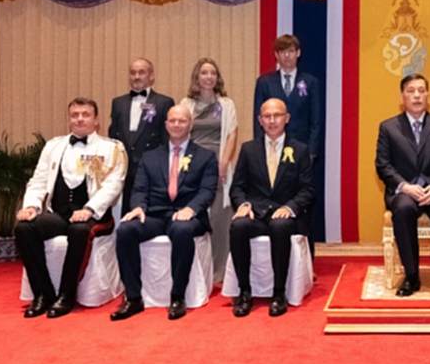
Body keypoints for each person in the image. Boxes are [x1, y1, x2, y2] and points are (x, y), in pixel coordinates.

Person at [16, 98, 126, 318]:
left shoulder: (112, 148)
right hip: (59, 214)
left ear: (96, 120)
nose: (80, 119)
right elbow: (38, 180)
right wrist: (31, 206)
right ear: (69, 119)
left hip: (95, 216)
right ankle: (43, 294)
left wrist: (89, 209)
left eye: (85, 114)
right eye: (75, 115)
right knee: (24, 228)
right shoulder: (54, 146)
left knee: (79, 231)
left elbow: (114, 184)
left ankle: (66, 295)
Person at [110, 105, 218, 321]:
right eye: (173, 121)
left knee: (181, 230)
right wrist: (138, 207)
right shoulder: (150, 157)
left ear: (191, 124)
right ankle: (133, 298)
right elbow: (139, 188)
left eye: (182, 121)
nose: (177, 125)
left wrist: (191, 209)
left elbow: (207, 190)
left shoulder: (205, 157)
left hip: (188, 216)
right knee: (125, 231)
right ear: (166, 124)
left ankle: (177, 296)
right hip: (155, 215)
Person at [375, 73, 430, 298]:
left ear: (428, 96)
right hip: (406, 190)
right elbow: (383, 165)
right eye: (411, 91)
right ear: (402, 96)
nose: (416, 96)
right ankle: (411, 276)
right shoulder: (388, 127)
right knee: (402, 209)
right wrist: (404, 186)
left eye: (421, 91)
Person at [228, 98, 314, 317]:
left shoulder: (300, 150)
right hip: (255, 214)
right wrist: (244, 205)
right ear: (260, 120)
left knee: (280, 226)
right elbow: (237, 187)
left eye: (277, 116)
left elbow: (307, 190)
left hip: (284, 216)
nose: (273, 120)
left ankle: (278, 293)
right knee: (238, 226)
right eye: (267, 116)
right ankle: (244, 292)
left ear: (287, 118)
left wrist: (291, 207)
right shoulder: (248, 149)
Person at [179, 58, 238, 282]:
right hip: (193, 165)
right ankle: (197, 269)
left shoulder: (226, 104)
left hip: (218, 164)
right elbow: (179, 133)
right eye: (204, 73)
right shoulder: (186, 104)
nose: (208, 77)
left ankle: (220, 270)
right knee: (195, 212)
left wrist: (223, 163)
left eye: (212, 73)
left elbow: (232, 133)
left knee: (220, 217)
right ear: (197, 77)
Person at [109, 58, 175, 213]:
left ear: (151, 76)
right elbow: (113, 135)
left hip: (151, 164)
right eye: (133, 73)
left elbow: (167, 137)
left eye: (141, 72)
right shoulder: (118, 102)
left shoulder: (164, 102)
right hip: (125, 165)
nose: (136, 77)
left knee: (150, 210)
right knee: (127, 209)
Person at [253, 34, 323, 157]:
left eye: (290, 51)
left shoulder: (311, 82)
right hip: (272, 146)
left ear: (298, 53)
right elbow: (258, 119)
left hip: (302, 148)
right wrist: (260, 149)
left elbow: (315, 121)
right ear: (276, 55)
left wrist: (312, 151)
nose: (286, 55)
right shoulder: (264, 83)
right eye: (282, 51)